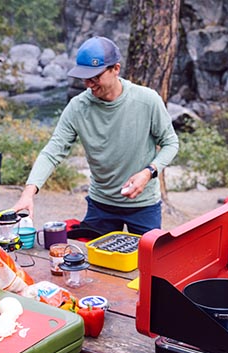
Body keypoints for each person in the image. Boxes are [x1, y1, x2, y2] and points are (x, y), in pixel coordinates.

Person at [12, 36, 179, 236]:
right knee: (93, 265)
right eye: (84, 78)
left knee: (146, 265)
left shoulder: (147, 100)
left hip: (144, 205)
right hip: (101, 206)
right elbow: (52, 152)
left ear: (115, 69)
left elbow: (170, 143)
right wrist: (28, 194)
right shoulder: (77, 107)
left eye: (95, 77)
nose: (88, 84)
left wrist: (148, 172)